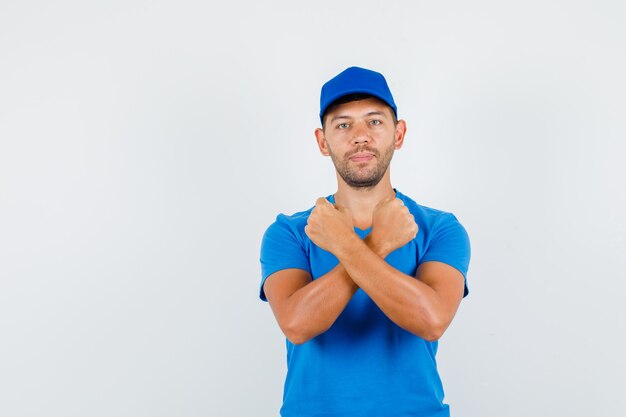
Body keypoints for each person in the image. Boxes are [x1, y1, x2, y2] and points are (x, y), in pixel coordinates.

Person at [259, 66, 471, 417]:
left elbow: (432, 320)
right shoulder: (291, 232)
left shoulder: (439, 229)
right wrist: (376, 244)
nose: (360, 136)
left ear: (399, 134)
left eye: (374, 122)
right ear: (322, 141)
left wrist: (345, 243)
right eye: (343, 125)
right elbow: (297, 324)